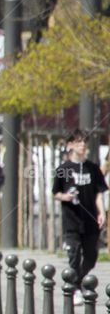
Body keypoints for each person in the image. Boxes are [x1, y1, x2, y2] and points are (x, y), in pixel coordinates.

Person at [52, 129, 106, 304]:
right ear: (70, 145)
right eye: (78, 142)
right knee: (74, 254)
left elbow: (99, 192)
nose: (82, 145)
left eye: (84, 142)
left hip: (90, 218)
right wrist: (65, 197)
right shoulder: (63, 170)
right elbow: (55, 193)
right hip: (72, 219)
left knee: (91, 256)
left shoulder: (93, 168)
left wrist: (102, 212)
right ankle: (75, 289)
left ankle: (78, 280)